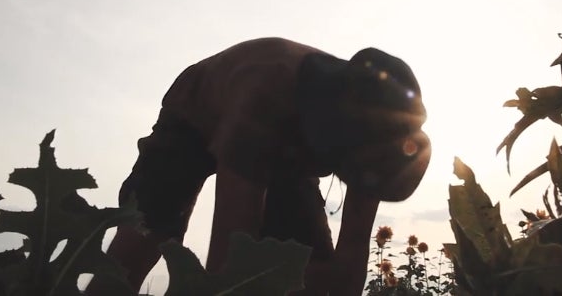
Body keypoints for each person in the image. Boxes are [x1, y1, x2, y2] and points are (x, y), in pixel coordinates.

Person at [86, 37, 430, 295]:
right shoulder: (261, 99)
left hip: (289, 144)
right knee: (146, 233)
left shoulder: (380, 139)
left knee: (302, 260)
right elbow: (229, 265)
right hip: (194, 114)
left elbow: (350, 259)